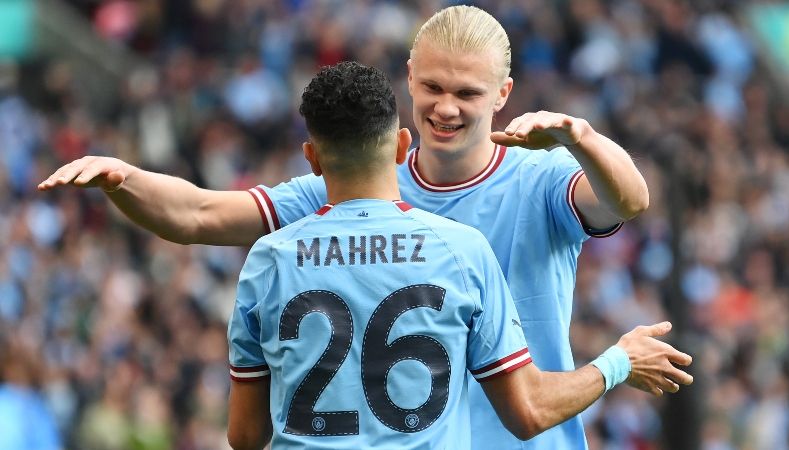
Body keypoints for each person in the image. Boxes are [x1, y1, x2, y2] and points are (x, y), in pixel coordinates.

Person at [39, 5, 685, 449]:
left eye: (467, 92)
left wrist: (583, 138)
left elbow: (627, 200)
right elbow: (199, 213)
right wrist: (123, 179)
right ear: (408, 79)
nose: (447, 106)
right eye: (432, 86)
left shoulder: (538, 179)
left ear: (503, 94)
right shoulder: (358, 183)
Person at [226, 60, 690, 450]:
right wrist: (619, 361)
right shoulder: (460, 248)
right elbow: (527, 411)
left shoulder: (268, 260)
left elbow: (246, 436)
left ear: (311, 157)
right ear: (402, 146)